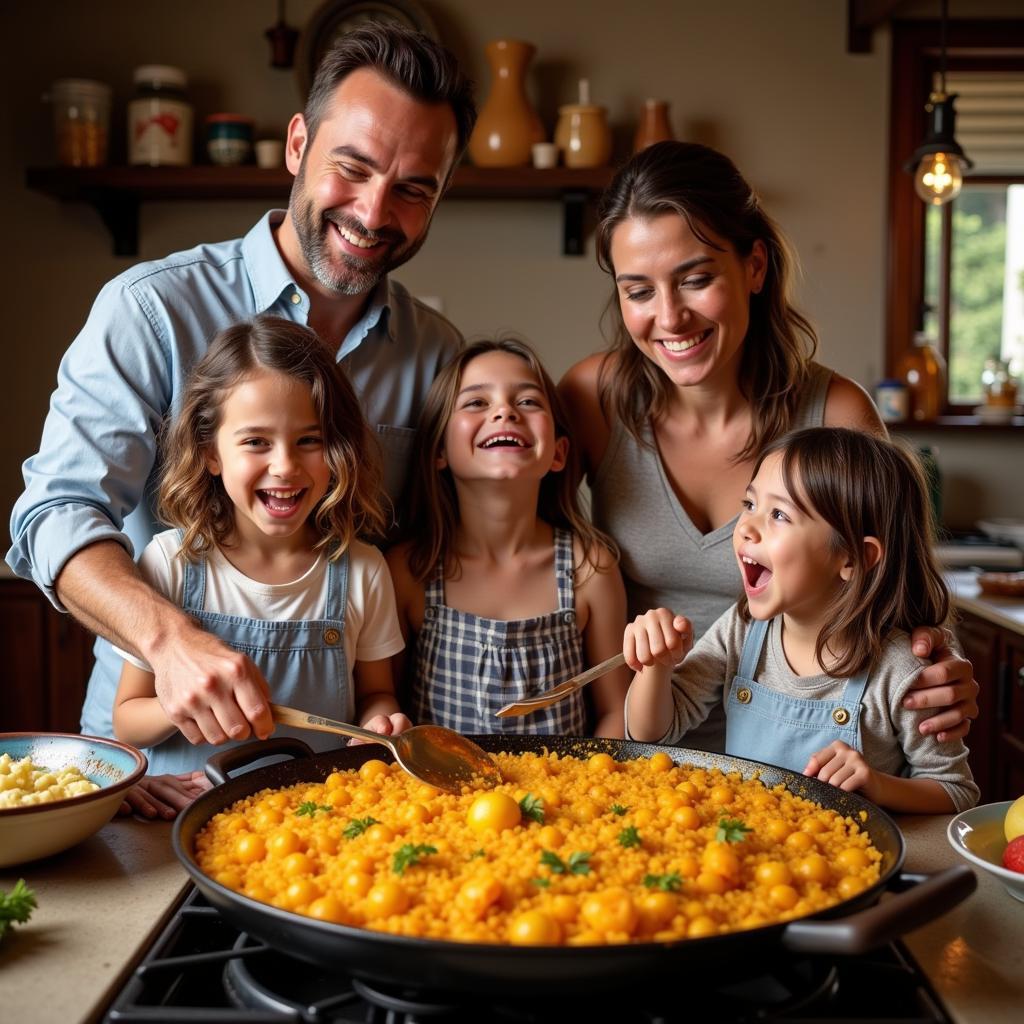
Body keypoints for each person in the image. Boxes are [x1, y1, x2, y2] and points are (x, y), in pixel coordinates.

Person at [7, 25, 475, 816]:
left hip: (322, 799)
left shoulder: (437, 354)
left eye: (413, 188)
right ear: (298, 144)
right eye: (352, 168)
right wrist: (168, 642)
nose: (372, 211)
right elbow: (52, 517)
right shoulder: (151, 310)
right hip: (147, 779)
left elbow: (430, 555)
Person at [558, 140, 978, 756]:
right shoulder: (592, 398)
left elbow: (902, 588)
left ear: (754, 266)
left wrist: (941, 666)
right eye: (638, 291)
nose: (669, 317)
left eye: (695, 279)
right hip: (649, 755)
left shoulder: (836, 413)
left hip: (809, 767)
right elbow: (532, 556)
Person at [624, 428, 979, 814]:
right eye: (749, 503)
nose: (745, 527)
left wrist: (879, 785)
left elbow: (956, 791)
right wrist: (654, 669)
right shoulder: (741, 630)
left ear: (851, 558)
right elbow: (651, 733)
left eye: (778, 514)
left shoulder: (900, 670)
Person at [112, 316, 408, 779]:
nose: (285, 466)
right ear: (211, 452)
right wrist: (186, 699)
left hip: (314, 826)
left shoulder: (363, 570)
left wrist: (379, 722)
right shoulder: (169, 563)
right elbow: (127, 720)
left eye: (309, 440)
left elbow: (376, 693)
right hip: (182, 816)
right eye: (256, 442)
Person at [386, 338, 631, 738]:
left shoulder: (591, 569)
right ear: (439, 449)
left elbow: (615, 712)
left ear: (558, 453)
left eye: (529, 402)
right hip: (439, 800)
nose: (505, 411)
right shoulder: (409, 571)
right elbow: (387, 702)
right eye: (476, 403)